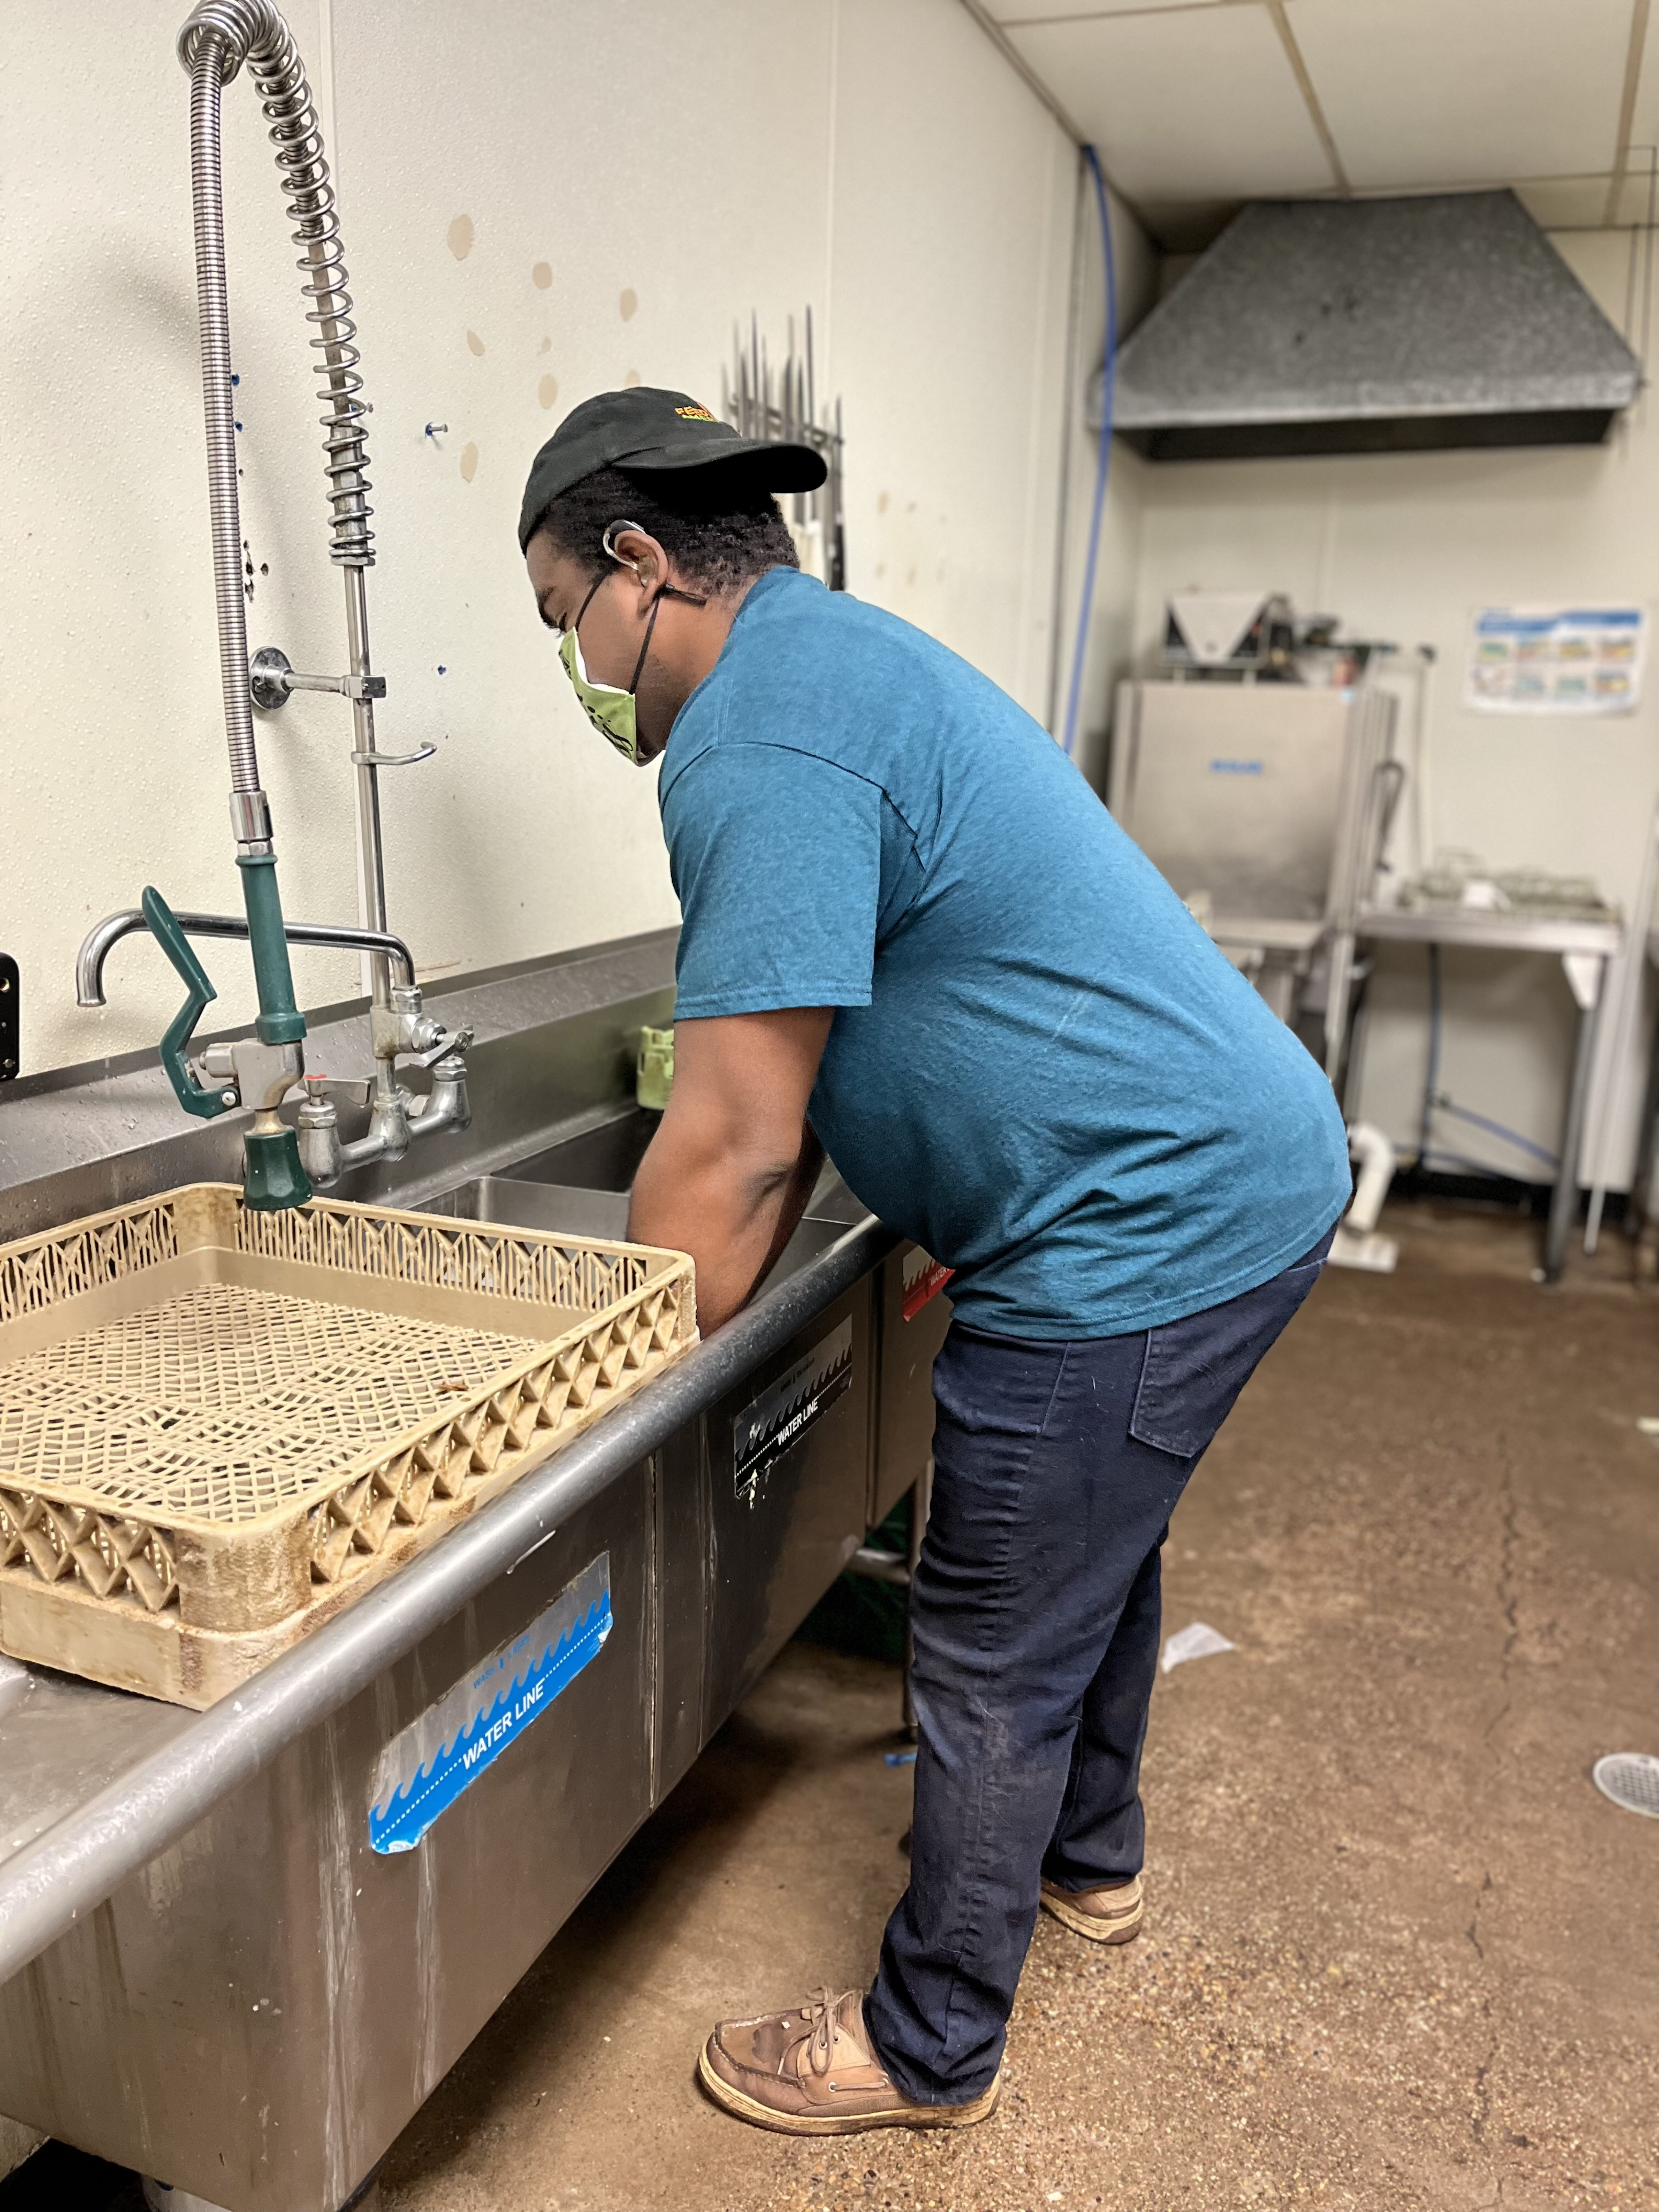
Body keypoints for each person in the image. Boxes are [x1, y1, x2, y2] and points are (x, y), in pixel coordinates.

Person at [518, 388, 1351, 2136]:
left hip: (1136, 1222)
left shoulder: (758, 736)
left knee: (987, 1637)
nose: (578, 666)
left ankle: (927, 2041)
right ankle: (1091, 1858)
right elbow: (814, 1052)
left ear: (641, 565)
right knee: (1086, 1558)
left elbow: (740, 1140)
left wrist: (573, 1380)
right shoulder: (837, 660)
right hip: (1229, 1175)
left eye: (562, 620)